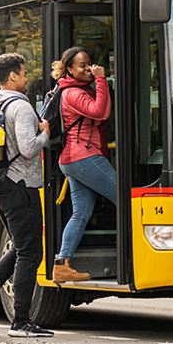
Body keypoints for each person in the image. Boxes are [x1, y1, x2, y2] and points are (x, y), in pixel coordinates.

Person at [0, 52, 53, 337]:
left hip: (0, 186)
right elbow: (28, 147)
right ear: (12, 76)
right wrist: (46, 133)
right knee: (30, 251)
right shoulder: (22, 108)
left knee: (19, 245)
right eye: (24, 73)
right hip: (20, 186)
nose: (27, 78)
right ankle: (21, 321)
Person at [51, 46, 114, 283]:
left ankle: (62, 264)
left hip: (74, 159)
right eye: (82, 65)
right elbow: (100, 112)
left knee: (80, 213)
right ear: (69, 69)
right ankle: (138, 253)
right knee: (127, 201)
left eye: (89, 63)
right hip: (84, 157)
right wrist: (101, 79)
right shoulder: (72, 93)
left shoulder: (74, 89)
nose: (88, 68)